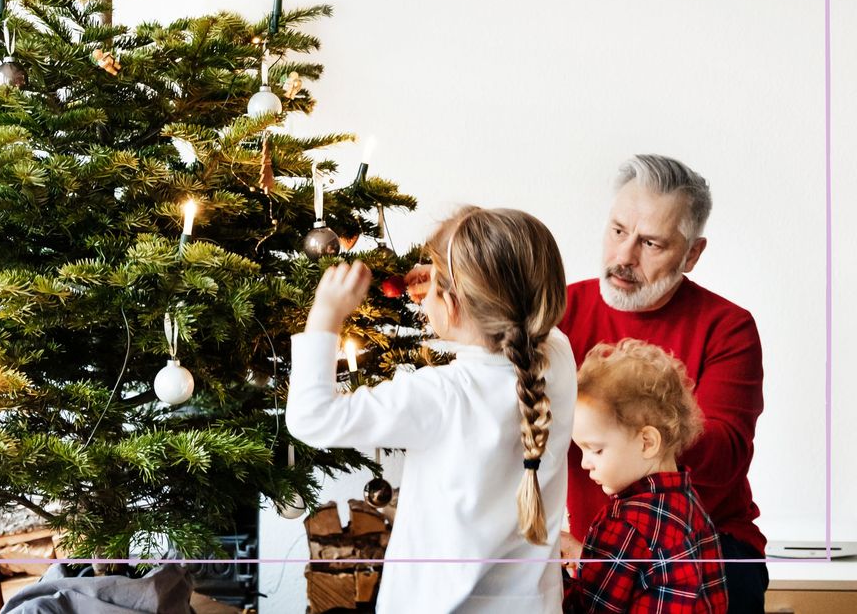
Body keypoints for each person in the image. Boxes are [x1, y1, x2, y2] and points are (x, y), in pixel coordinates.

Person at [287, 207, 577, 613]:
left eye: (437, 282)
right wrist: (448, 279)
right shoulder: (558, 357)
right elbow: (512, 286)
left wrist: (326, 315)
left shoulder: (442, 395)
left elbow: (311, 417)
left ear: (453, 303)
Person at [560, 155, 766, 612]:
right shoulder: (559, 312)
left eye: (651, 243)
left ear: (692, 254)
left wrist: (630, 424)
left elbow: (724, 452)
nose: (624, 257)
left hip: (707, 540)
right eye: (618, 231)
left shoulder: (728, 327)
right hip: (593, 542)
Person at [563, 338, 728, 613]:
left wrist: (552, 577)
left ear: (647, 443)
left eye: (596, 450)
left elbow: (590, 608)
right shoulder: (688, 505)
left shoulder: (624, 525)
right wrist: (587, 560)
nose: (584, 464)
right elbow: (643, 577)